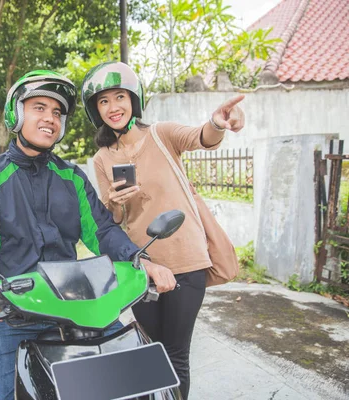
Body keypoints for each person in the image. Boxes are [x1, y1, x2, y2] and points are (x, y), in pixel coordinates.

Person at [0, 70, 177, 400]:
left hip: (79, 309)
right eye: (39, 107)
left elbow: (102, 230)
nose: (50, 118)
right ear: (16, 113)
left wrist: (142, 261)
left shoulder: (72, 178)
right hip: (9, 316)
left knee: (144, 388)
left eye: (57, 113)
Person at [82, 61, 245, 400]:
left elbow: (201, 137)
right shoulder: (102, 158)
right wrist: (113, 199)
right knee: (149, 350)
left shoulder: (162, 134)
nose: (113, 107)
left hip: (186, 262)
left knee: (175, 353)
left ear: (133, 100)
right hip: (141, 268)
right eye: (104, 101)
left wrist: (218, 123)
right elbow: (110, 221)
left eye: (119, 97)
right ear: (96, 110)